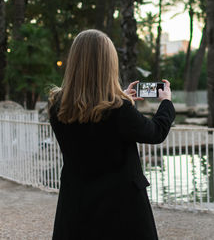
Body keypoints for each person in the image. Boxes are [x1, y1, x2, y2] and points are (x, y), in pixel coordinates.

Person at [48, 29, 175, 240]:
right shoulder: (118, 110)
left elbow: (89, 119)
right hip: (121, 210)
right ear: (108, 64)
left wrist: (121, 97)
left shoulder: (57, 106)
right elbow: (155, 132)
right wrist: (166, 103)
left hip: (77, 206)